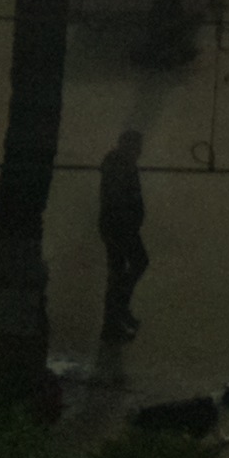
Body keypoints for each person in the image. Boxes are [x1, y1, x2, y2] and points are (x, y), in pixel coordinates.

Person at [98, 127, 148, 342]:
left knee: (119, 270)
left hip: (117, 225)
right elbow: (121, 197)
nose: (139, 151)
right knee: (136, 263)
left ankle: (115, 316)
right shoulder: (121, 166)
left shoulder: (117, 163)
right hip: (120, 226)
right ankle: (117, 312)